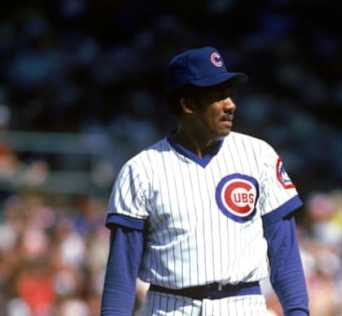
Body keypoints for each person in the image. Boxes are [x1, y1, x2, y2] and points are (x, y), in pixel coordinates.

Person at [100, 46, 309, 315]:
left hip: (243, 305)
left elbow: (284, 251)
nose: (230, 104)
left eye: (230, 94)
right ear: (187, 104)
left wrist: (298, 311)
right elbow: (121, 274)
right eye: (218, 96)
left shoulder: (259, 156)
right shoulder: (141, 170)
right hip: (171, 306)